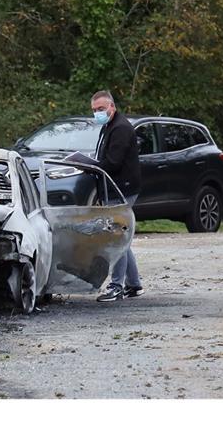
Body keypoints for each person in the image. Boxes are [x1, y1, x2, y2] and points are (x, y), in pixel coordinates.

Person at [89, 90, 144, 303]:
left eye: (101, 109)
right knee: (122, 239)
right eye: (94, 110)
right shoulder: (110, 125)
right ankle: (133, 284)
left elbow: (113, 162)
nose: (98, 113)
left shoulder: (120, 128)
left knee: (117, 238)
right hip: (117, 188)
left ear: (112, 107)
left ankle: (116, 286)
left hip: (122, 189)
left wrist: (91, 166)